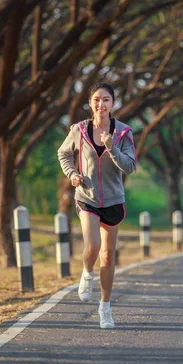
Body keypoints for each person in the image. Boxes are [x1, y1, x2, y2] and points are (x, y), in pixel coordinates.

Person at [57, 82, 136, 329]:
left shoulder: (123, 133)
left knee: (108, 256)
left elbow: (130, 166)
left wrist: (112, 148)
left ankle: (105, 308)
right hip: (87, 197)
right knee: (92, 245)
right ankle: (86, 272)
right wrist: (72, 174)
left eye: (105, 100)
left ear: (113, 104)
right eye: (96, 100)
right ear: (90, 103)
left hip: (113, 200)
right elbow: (63, 154)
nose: (100, 104)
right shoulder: (79, 130)